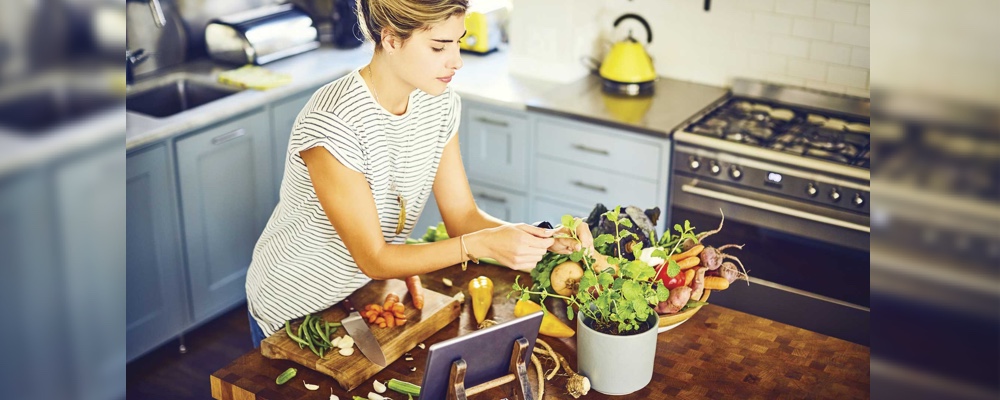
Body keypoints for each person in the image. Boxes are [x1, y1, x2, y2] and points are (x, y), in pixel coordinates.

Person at [245, 0, 591, 346]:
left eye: (458, 42)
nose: (456, 60)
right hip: (291, 305)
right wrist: (480, 244)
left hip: (358, 295)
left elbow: (463, 217)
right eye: (439, 46)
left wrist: (543, 241)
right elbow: (375, 258)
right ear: (392, 39)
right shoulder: (334, 124)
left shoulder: (437, 102)